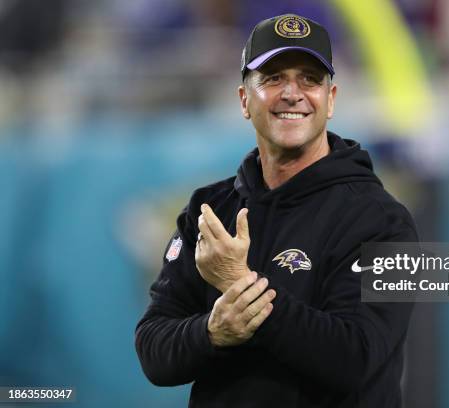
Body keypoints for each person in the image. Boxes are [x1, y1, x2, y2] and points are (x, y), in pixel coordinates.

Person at [135, 13, 418, 408]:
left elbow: (355, 358)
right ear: (244, 100)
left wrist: (241, 284)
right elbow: (152, 349)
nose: (292, 93)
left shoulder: (383, 221)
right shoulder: (208, 210)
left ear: (330, 99)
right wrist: (212, 333)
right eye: (272, 78)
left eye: (309, 79)